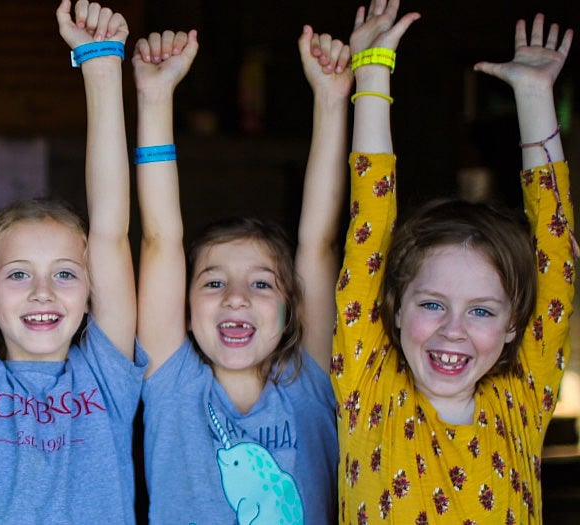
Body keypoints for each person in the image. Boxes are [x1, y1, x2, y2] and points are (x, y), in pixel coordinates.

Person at [334, 0, 573, 520]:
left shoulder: (520, 399)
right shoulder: (369, 386)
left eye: (482, 310)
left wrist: (535, 95)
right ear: (395, 308)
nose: (453, 330)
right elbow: (368, 226)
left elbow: (555, 261)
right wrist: (372, 68)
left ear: (514, 324)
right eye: (432, 304)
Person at [0, 0, 143, 521]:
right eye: (18, 274)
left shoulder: (107, 376)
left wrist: (103, 68)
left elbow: (111, 231)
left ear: (92, 292)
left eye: (65, 273)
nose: (43, 291)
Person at [134, 21, 349, 525]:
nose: (236, 297)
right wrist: (154, 98)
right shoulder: (174, 385)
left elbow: (319, 242)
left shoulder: (308, 384)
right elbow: (160, 239)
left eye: (261, 283)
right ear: (184, 310)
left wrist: (332, 99)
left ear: (292, 308)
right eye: (213, 282)